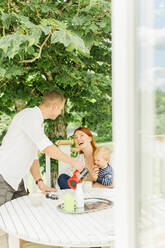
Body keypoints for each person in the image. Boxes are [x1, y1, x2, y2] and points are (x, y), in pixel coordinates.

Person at [0, 90, 84, 207]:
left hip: (18, 181)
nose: (60, 112)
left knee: (22, 217)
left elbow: (33, 156)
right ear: (54, 107)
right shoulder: (29, 116)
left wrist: (39, 182)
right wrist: (73, 162)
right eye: (61, 109)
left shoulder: (39, 123)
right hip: (4, 177)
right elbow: (47, 148)